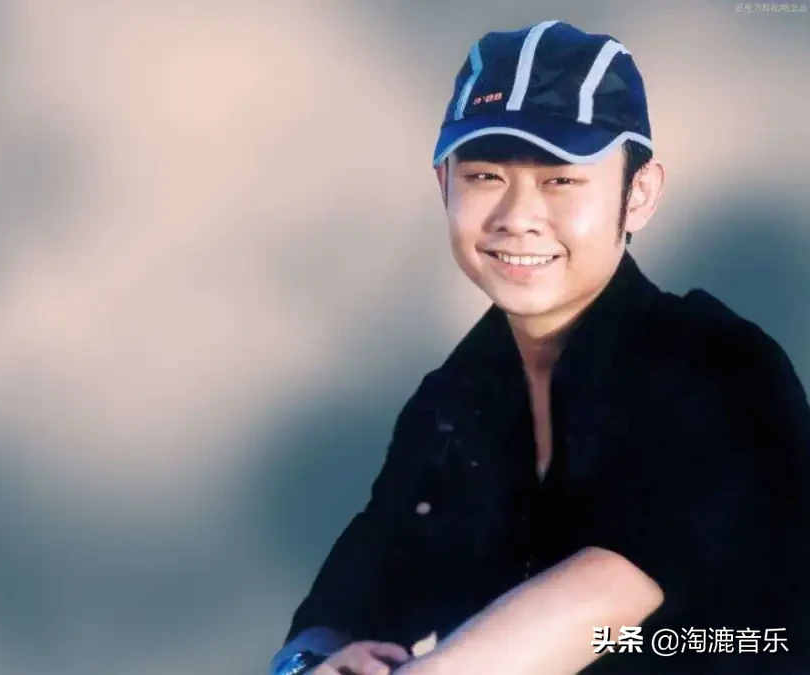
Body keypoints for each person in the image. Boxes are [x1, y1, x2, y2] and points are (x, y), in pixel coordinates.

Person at [267, 19, 810, 675]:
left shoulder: (723, 371)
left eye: (561, 180)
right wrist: (312, 662)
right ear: (444, 184)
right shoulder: (450, 404)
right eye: (485, 176)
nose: (517, 216)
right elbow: (346, 600)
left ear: (638, 194)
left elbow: (602, 597)